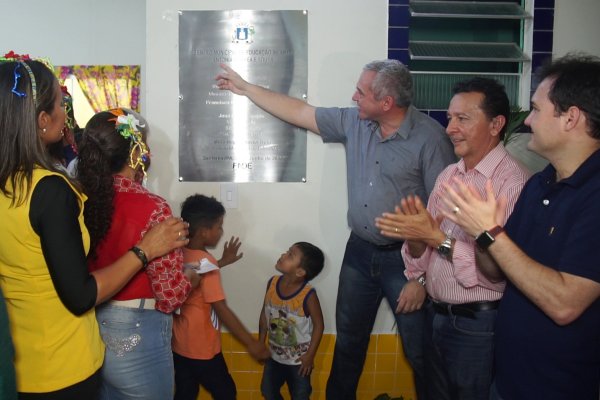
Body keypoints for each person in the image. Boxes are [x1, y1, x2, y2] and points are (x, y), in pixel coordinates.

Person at [216, 59, 456, 399]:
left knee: (419, 351)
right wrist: (245, 87)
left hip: (408, 261)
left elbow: (446, 218)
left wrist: (421, 278)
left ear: (386, 103)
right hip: (359, 252)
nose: (353, 96)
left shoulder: (431, 140)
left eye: (361, 91)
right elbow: (299, 111)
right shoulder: (355, 123)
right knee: (348, 346)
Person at [0, 53, 188, 398]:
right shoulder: (52, 190)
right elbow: (82, 295)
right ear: (42, 119)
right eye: (60, 104)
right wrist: (147, 249)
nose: (67, 116)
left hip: (21, 358)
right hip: (65, 362)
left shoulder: (16, 185)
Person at [441, 54, 600, 400]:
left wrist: (491, 233)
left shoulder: (594, 194)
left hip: (558, 388)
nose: (527, 121)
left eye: (537, 110)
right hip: (510, 379)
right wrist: (485, 236)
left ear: (571, 118)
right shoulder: (540, 183)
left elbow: (564, 304)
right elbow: (497, 272)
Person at [375, 77, 530, 400]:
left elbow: (497, 272)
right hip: (437, 316)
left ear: (496, 124)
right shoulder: (450, 175)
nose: (450, 128)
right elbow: (424, 250)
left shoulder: (512, 183)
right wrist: (416, 236)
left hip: (479, 325)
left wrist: (435, 238)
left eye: (463, 119)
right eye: (450, 118)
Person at [77, 108, 196, 399]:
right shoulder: (153, 208)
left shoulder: (79, 198)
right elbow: (169, 296)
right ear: (135, 152)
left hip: (88, 333)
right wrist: (191, 278)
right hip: (139, 336)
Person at [172, 194, 270, 400]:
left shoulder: (178, 252)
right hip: (204, 350)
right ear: (204, 232)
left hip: (179, 346)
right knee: (226, 393)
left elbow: (196, 273)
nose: (221, 231)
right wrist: (251, 343)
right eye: (219, 226)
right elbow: (221, 309)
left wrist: (222, 262)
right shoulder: (206, 260)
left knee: (185, 393)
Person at [259, 242, 325, 400]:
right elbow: (264, 314)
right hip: (274, 357)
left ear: (300, 271)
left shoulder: (308, 295)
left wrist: (310, 356)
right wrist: (260, 342)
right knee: (268, 391)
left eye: (290, 255)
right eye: (287, 251)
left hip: (299, 362)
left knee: (300, 395)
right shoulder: (272, 283)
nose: (283, 255)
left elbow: (319, 325)